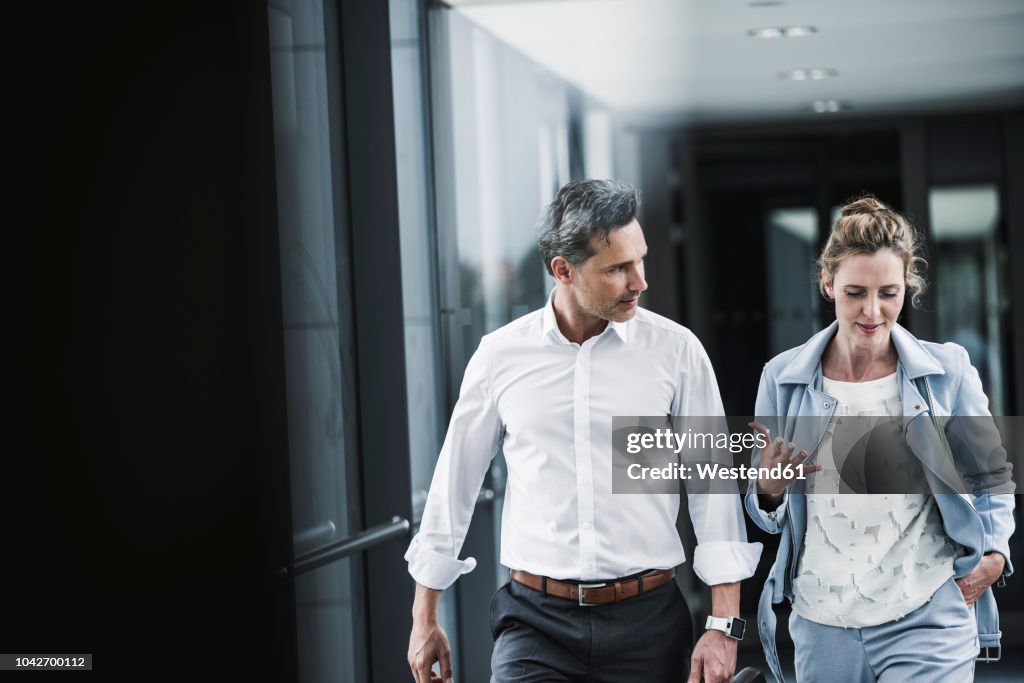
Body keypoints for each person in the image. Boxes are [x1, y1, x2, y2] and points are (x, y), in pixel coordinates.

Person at [405, 179, 762, 683]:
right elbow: (453, 486)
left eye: (641, 261)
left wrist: (724, 626)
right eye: (618, 269)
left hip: (649, 623)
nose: (639, 281)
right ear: (563, 270)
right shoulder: (500, 356)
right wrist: (424, 617)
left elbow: (713, 490)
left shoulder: (676, 352)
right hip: (534, 624)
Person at [745, 195, 1015, 683]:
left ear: (907, 288)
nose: (873, 311)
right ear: (828, 284)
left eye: (889, 293)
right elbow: (767, 512)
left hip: (927, 615)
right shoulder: (782, 378)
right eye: (855, 292)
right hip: (823, 623)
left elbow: (989, 472)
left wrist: (995, 553)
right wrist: (769, 488)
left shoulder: (946, 371)